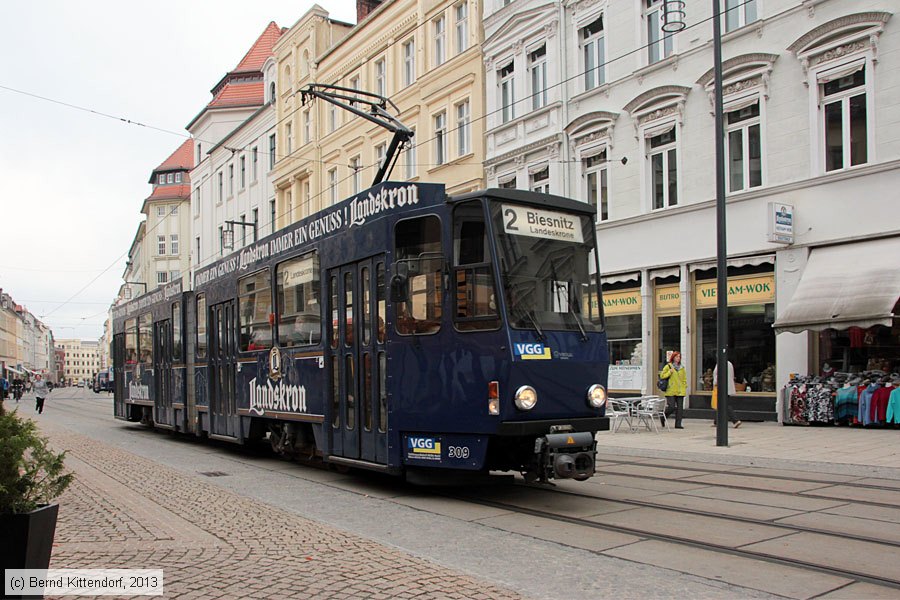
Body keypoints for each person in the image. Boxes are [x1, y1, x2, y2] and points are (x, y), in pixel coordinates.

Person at [659, 351, 687, 429]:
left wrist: (684, 385)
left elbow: (684, 378)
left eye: (679, 357)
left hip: (680, 390)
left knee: (680, 408)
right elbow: (662, 376)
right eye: (676, 357)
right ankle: (663, 417)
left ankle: (678, 424)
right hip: (671, 390)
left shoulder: (682, 368)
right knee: (671, 407)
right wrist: (669, 372)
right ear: (673, 358)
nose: (678, 358)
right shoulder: (668, 366)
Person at [712, 360, 742, 428]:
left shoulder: (720, 363)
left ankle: (735, 420)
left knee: (724, 404)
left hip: (721, 387)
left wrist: (715, 383)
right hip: (728, 386)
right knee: (719, 404)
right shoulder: (729, 364)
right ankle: (716, 421)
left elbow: (717, 375)